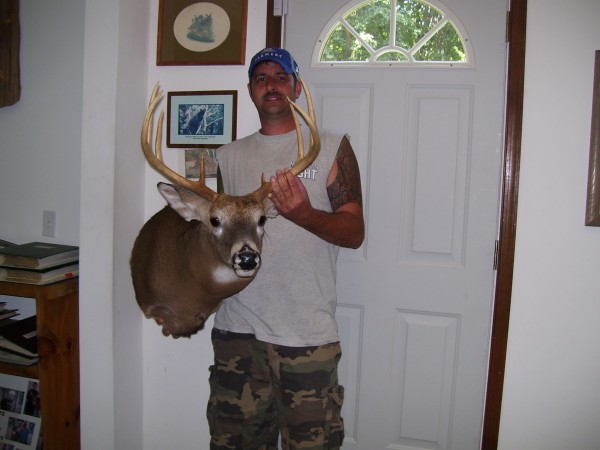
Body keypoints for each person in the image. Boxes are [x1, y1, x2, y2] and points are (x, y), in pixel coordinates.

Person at [209, 47, 365, 450]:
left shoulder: (331, 148)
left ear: (296, 87)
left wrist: (303, 213)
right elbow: (218, 241)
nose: (271, 85)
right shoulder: (227, 157)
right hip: (236, 333)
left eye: (281, 77)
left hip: (306, 336)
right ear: (250, 90)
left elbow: (354, 232)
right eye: (261, 78)